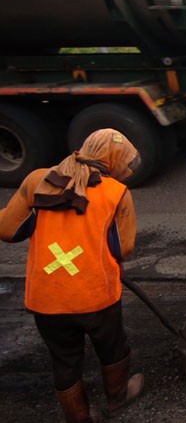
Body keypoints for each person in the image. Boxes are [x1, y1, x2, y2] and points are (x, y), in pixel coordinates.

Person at [0, 129, 145, 422]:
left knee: (64, 358)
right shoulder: (115, 192)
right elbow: (123, 249)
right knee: (112, 346)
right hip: (96, 295)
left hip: (47, 297)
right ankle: (117, 397)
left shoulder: (36, 181)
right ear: (112, 159)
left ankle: (78, 417)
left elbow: (8, 230)